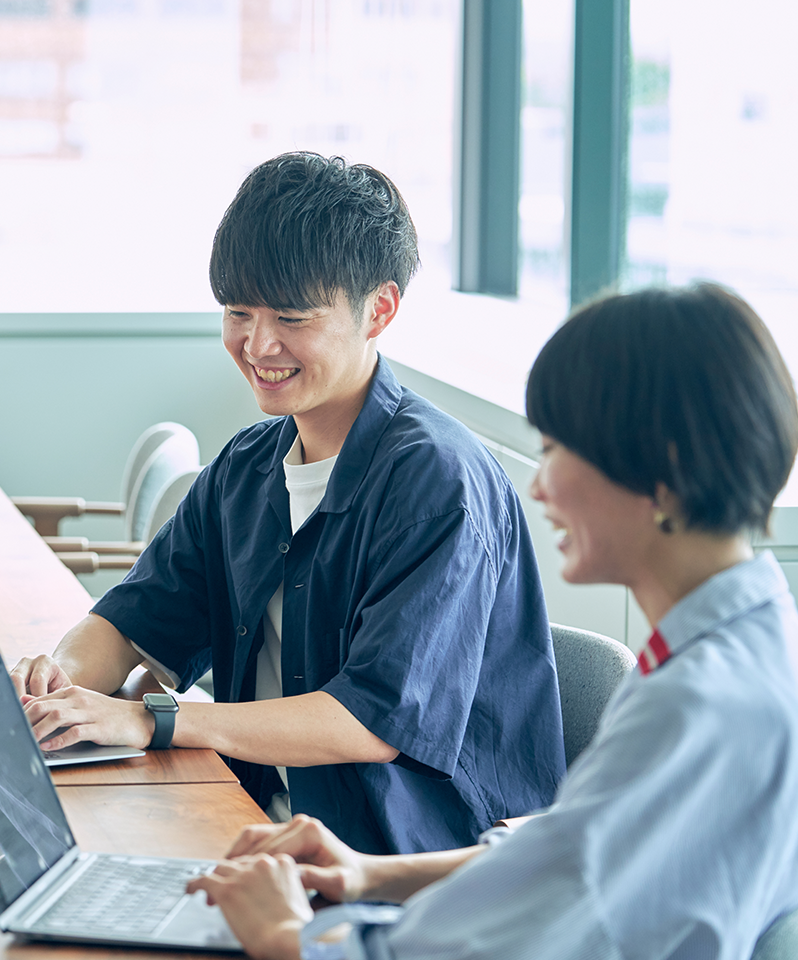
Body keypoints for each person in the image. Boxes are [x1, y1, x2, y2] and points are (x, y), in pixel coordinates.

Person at [187, 282, 798, 960]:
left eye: (559, 449)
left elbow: (552, 922)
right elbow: (574, 853)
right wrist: (371, 876)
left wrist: (283, 937)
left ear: (663, 471)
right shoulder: (749, 644)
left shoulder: (699, 708)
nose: (540, 486)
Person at [12, 152, 565, 855]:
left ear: (380, 310)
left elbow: (369, 722)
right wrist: (54, 687)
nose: (258, 343)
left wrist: (155, 719)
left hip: (402, 871)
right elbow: (130, 624)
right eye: (238, 311)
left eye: (292, 317)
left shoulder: (437, 484)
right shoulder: (248, 466)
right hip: (253, 828)